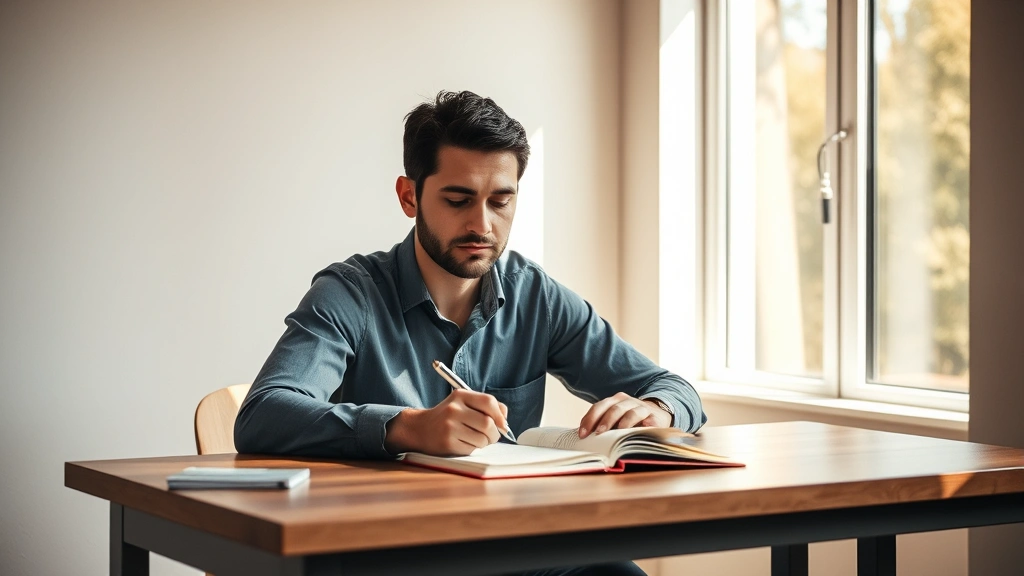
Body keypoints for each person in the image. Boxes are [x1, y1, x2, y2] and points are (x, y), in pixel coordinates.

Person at [234, 90, 706, 576]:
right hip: (384, 554)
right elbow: (263, 414)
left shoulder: (535, 296)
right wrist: (406, 427)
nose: (482, 224)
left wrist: (657, 408)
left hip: (508, 549)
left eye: (501, 201)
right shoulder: (349, 295)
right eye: (458, 200)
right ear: (409, 195)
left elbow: (676, 390)